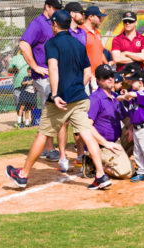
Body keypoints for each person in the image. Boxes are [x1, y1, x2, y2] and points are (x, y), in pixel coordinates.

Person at [6, 10, 112, 190]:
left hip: (61, 99)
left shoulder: (52, 43)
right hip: (79, 97)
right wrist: (76, 88)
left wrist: (55, 94)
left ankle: (23, 175)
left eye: (52, 24)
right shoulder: (79, 43)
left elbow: (53, 69)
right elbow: (87, 72)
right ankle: (101, 175)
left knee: (43, 133)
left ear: (55, 25)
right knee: (86, 133)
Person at [19, 0, 63, 158]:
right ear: (47, 7)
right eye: (55, 8)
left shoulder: (56, 23)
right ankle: (48, 149)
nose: (57, 11)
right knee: (49, 110)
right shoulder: (38, 23)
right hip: (44, 75)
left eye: (59, 9)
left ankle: (48, 146)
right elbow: (24, 44)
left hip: (56, 73)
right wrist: (35, 66)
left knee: (54, 110)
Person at [120, 70, 144, 183]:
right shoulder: (134, 93)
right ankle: (142, 172)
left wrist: (127, 94)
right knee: (137, 152)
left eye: (134, 81)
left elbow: (133, 94)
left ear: (141, 83)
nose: (131, 83)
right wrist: (124, 96)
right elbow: (126, 100)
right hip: (136, 128)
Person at [81, 6, 107, 81]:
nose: (101, 20)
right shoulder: (81, 32)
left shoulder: (97, 33)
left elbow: (100, 52)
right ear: (90, 17)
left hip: (98, 77)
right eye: (99, 17)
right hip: (86, 77)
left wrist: (107, 65)